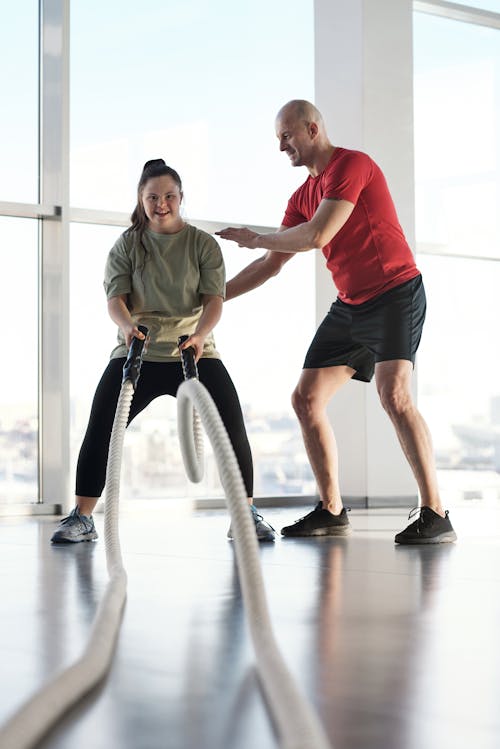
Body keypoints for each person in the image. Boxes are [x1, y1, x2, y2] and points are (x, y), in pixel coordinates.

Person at [216, 99, 456, 545]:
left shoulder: (353, 165)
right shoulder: (300, 196)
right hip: (351, 306)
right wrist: (213, 297)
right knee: (305, 399)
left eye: (286, 136)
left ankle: (436, 512)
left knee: (394, 394)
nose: (281, 146)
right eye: (277, 139)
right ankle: (331, 510)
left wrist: (256, 236)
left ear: (312, 128)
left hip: (395, 293)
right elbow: (270, 265)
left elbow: (318, 234)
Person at [51, 159, 275, 544]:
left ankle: (245, 515)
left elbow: (214, 301)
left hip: (195, 349)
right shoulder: (127, 244)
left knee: (232, 427)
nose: (161, 204)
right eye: (152, 197)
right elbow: (115, 299)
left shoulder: (201, 245)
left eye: (169, 196)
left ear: (180, 198)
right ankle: (83, 518)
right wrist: (126, 328)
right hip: (138, 349)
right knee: (101, 424)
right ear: (141, 199)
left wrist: (201, 335)